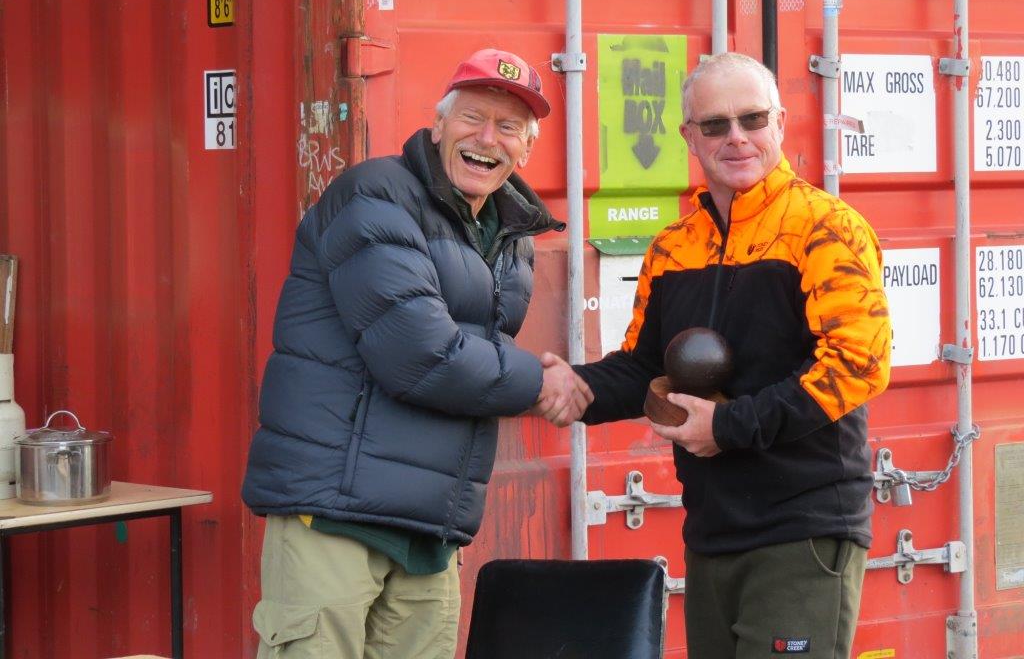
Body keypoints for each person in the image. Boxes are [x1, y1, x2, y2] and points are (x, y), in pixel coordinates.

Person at [242, 48, 591, 659]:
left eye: (508, 127)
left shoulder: (510, 237)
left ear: (526, 149)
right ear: (438, 124)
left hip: (430, 526)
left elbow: (474, 360)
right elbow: (421, 355)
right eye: (472, 117)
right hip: (335, 513)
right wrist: (543, 383)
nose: (487, 138)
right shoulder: (375, 197)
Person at [559, 52, 891, 658]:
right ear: (689, 137)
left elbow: (857, 365)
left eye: (752, 119)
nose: (735, 137)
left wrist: (727, 427)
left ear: (780, 123)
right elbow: (644, 368)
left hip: (803, 530)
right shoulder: (673, 247)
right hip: (711, 531)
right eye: (715, 124)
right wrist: (568, 388)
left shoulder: (825, 227)